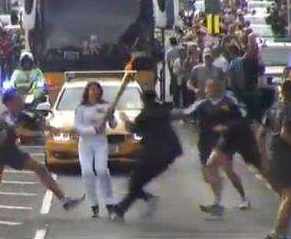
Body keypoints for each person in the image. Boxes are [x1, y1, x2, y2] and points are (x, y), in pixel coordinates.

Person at [0, 88, 84, 219]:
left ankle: (64, 200)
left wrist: (59, 130)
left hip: (11, 151)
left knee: (39, 168)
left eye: (21, 99)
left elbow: (41, 126)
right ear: (9, 103)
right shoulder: (3, 120)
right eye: (18, 99)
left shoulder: (23, 115)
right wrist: (43, 137)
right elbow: (21, 133)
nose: (21, 102)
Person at [176, 79, 260, 214]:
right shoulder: (202, 103)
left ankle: (240, 198)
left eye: (210, 87)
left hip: (224, 141)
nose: (207, 90)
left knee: (227, 169)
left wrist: (227, 126)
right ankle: (218, 200)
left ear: (218, 88)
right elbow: (185, 112)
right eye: (206, 88)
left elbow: (243, 116)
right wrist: (163, 114)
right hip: (205, 142)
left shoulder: (229, 102)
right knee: (208, 173)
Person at [115, 89, 183, 219]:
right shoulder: (162, 110)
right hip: (169, 153)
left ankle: (127, 206)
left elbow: (134, 130)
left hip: (153, 154)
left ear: (143, 99)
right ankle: (122, 208)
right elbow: (175, 114)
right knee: (138, 182)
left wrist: (125, 119)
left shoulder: (144, 116)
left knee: (135, 182)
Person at [259, 80, 291, 239]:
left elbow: (260, 134)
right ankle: (276, 233)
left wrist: (263, 156)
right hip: (286, 154)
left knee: (286, 194)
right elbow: (285, 134)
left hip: (273, 151)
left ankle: (283, 232)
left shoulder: (274, 108)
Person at [75, 81, 117, 218]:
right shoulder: (81, 108)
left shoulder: (105, 106)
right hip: (85, 144)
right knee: (87, 172)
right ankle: (94, 205)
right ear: (87, 92)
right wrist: (93, 129)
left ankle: (109, 203)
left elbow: (114, 125)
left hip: (100, 143)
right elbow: (78, 128)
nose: (93, 92)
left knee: (102, 170)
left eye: (96, 89)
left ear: (100, 92)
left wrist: (111, 116)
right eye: (91, 89)